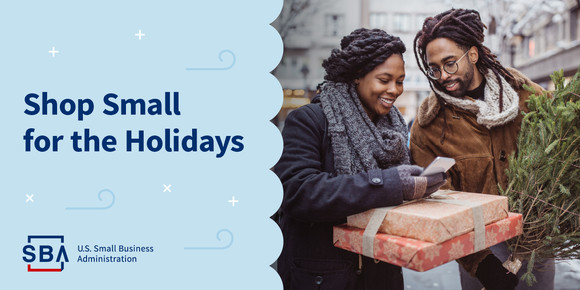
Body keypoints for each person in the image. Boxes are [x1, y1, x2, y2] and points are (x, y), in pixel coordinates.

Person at [274, 28, 447, 290]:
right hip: (324, 278)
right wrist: (390, 184)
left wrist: (422, 187)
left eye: (400, 81)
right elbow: (298, 192)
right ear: (357, 76)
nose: (394, 90)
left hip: (381, 275)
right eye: (384, 79)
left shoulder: (394, 130)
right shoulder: (309, 120)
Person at [411, 8, 555, 290]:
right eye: (434, 68)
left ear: (473, 55)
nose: (442, 75)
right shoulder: (429, 126)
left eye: (450, 63)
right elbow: (436, 201)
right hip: (479, 247)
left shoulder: (526, 96)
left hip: (537, 240)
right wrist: (481, 263)